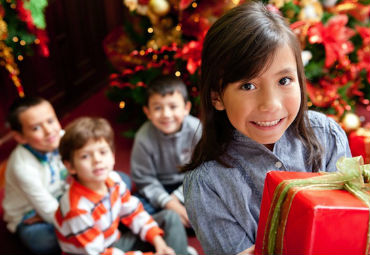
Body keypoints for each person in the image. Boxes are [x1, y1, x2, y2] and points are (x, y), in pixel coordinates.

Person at [181, 2, 352, 255]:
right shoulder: (207, 185)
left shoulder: (327, 134)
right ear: (217, 96)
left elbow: (350, 223)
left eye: (284, 80)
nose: (270, 105)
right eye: (248, 85)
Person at [55, 117, 188, 255]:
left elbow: (134, 213)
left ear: (112, 156)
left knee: (170, 217)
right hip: (98, 251)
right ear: (70, 166)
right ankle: (180, 250)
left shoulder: (113, 179)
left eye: (102, 152)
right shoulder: (77, 209)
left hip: (115, 241)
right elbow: (98, 253)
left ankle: (176, 250)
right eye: (85, 156)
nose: (97, 160)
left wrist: (158, 242)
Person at [130, 75, 202, 228]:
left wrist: (177, 197)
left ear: (186, 108)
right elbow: (144, 179)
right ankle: (179, 220)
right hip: (160, 186)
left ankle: (177, 221)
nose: (166, 114)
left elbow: (203, 169)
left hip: (191, 184)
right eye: (157, 108)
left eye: (173, 107)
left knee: (216, 197)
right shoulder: (143, 137)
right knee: (134, 208)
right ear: (147, 112)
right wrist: (168, 202)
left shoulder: (197, 129)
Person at [2, 96, 68, 254]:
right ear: (20, 137)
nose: (49, 131)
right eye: (36, 128)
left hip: (60, 196)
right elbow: (49, 211)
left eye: (51, 121)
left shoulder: (62, 138)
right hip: (30, 213)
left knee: (121, 180)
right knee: (41, 241)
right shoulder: (22, 167)